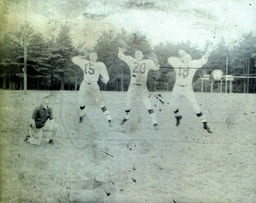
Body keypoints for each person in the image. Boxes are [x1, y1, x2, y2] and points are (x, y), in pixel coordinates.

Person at [168, 49, 212, 133]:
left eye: (189, 58)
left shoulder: (193, 64)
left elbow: (203, 60)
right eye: (186, 58)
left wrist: (208, 52)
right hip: (177, 88)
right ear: (182, 59)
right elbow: (169, 59)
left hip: (187, 88)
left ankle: (204, 123)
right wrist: (180, 55)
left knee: (194, 105)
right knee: (172, 106)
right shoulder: (178, 63)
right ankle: (177, 116)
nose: (187, 60)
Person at [118, 47, 160, 129]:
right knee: (128, 104)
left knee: (147, 104)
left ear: (142, 55)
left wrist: (156, 61)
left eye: (139, 54)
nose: (137, 55)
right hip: (133, 86)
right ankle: (126, 117)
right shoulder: (131, 60)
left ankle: (154, 122)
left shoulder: (147, 62)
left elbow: (156, 67)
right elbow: (121, 56)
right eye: (136, 54)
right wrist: (120, 50)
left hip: (142, 87)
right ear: (134, 55)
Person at [71, 50, 112, 126]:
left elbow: (105, 75)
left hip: (94, 85)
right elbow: (74, 59)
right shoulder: (85, 62)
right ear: (89, 57)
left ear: (96, 57)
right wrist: (81, 56)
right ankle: (82, 114)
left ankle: (108, 118)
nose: (92, 57)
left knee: (99, 101)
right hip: (85, 83)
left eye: (94, 56)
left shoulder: (100, 64)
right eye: (91, 56)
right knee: (81, 100)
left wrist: (105, 80)